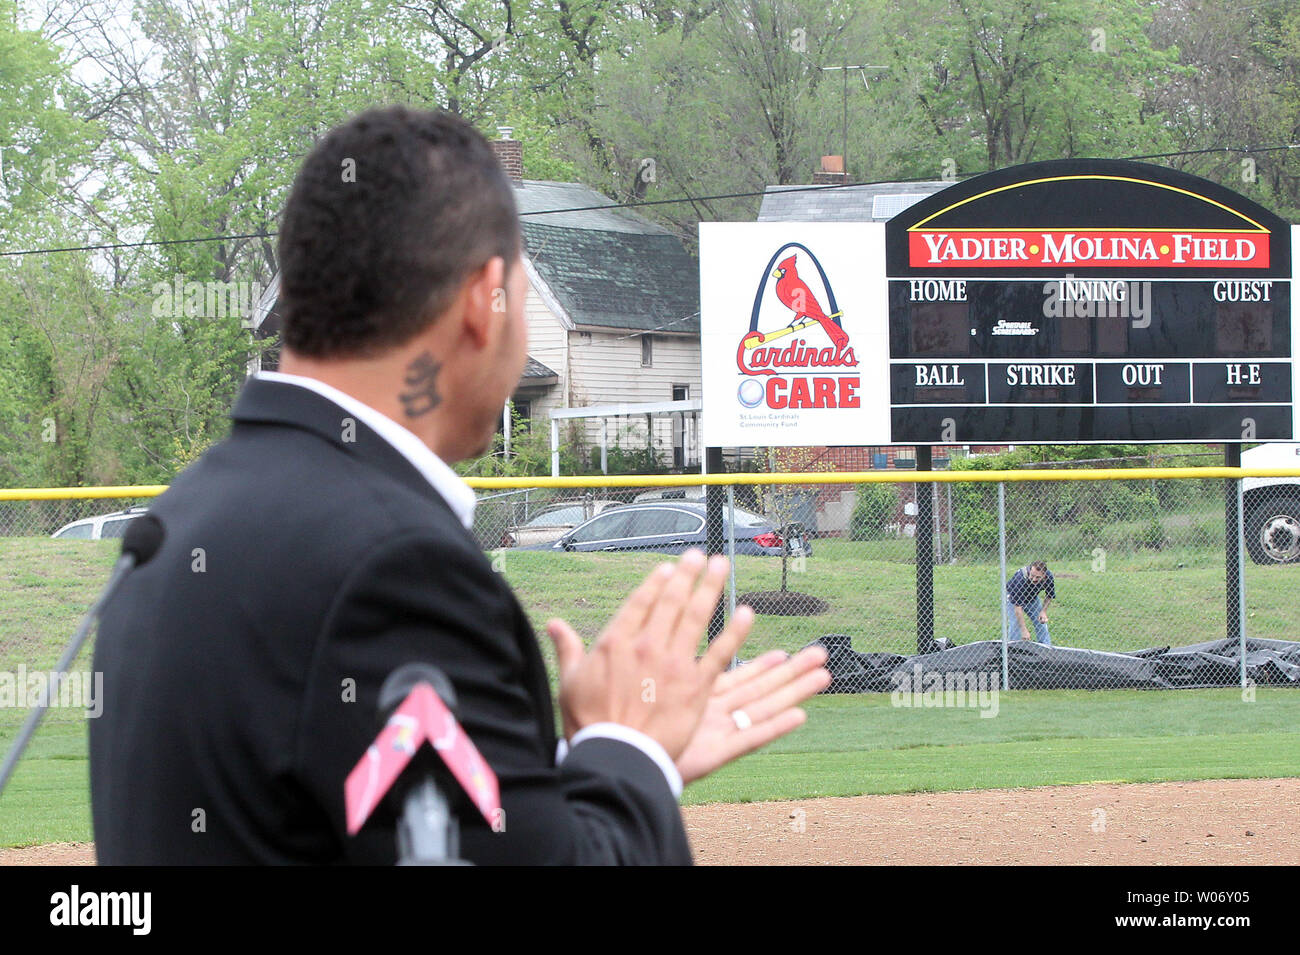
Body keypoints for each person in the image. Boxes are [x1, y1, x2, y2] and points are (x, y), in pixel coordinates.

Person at [88, 106, 831, 865]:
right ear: (486, 301)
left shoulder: (177, 522)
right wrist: (627, 750)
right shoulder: (393, 570)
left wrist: (608, 766)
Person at [1005, 560, 1055, 645]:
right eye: (1032, 575)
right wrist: (1024, 630)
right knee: (1015, 625)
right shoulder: (1020, 578)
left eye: (1038, 577)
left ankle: (1046, 649)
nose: (1034, 579)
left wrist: (1043, 611)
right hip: (1012, 598)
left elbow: (1049, 595)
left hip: (1032, 598)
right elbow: (1018, 608)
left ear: (1044, 575)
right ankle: (1013, 651)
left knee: (1041, 623)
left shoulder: (1049, 577)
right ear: (1030, 570)